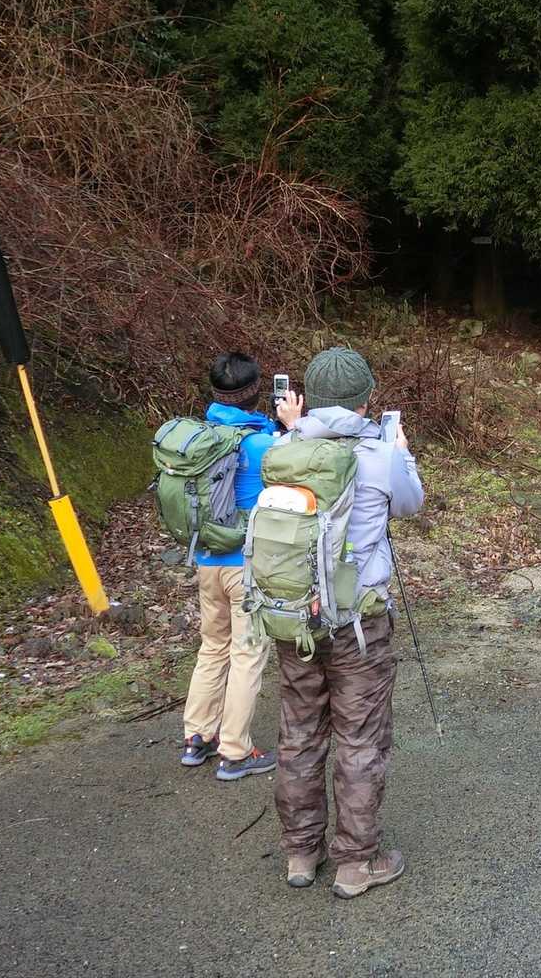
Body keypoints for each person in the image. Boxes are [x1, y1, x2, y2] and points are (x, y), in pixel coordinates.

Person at [272, 347, 425, 898]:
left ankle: (301, 851)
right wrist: (402, 453)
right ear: (365, 401)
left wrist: (294, 425)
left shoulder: (283, 448)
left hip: (296, 620)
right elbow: (409, 505)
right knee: (360, 739)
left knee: (299, 733)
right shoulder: (380, 455)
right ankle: (357, 862)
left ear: (308, 397)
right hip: (360, 622)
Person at [180, 352, 279, 781]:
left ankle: (197, 736)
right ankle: (236, 751)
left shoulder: (200, 438)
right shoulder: (262, 444)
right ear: (256, 391)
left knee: (213, 646)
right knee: (247, 653)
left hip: (207, 561)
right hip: (246, 565)